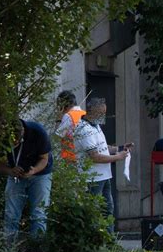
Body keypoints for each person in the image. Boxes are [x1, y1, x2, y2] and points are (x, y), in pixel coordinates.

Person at [73, 97, 134, 233]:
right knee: (95, 210)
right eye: (101, 113)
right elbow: (95, 156)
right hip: (92, 177)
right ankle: (98, 240)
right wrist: (118, 157)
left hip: (103, 175)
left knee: (108, 209)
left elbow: (102, 148)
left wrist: (119, 148)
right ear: (91, 111)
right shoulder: (83, 129)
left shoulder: (95, 126)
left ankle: (109, 240)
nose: (103, 116)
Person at [0, 118, 53, 238]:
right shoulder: (1, 135)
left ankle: (37, 249)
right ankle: (9, 251)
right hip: (15, 175)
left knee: (39, 213)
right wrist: (10, 171)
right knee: (11, 214)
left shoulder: (38, 132)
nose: (14, 145)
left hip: (40, 174)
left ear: (23, 132)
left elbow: (44, 159)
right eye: (11, 143)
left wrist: (34, 170)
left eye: (16, 143)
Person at [55, 90, 86, 161]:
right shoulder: (83, 113)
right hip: (82, 156)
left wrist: (58, 119)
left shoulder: (68, 116)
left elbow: (57, 137)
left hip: (70, 157)